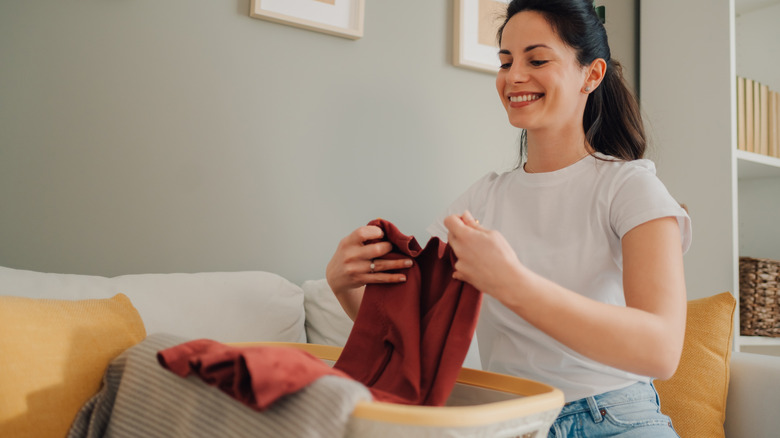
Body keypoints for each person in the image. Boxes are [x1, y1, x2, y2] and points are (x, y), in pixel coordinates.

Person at [326, 0, 691, 436]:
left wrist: (513, 283)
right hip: (516, 422)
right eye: (505, 61)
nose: (514, 76)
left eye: (536, 59)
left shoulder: (629, 188)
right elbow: (417, 349)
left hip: (614, 417)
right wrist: (344, 286)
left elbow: (662, 351)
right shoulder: (478, 202)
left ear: (591, 75)